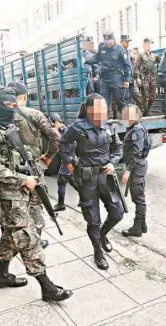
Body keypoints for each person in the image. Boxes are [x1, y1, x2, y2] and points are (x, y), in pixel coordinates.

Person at [0, 87, 73, 300]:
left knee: (13, 233)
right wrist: (22, 179)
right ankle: (47, 287)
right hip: (10, 192)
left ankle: (1, 276)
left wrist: (35, 169)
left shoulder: (9, 124)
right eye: (7, 106)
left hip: (27, 184)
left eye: (14, 106)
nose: (12, 110)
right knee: (26, 236)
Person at [60, 94, 124, 270]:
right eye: (98, 109)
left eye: (104, 108)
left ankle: (103, 235)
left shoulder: (109, 127)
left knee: (118, 213)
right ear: (89, 110)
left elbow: (118, 148)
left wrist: (113, 162)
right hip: (87, 180)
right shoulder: (77, 127)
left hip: (106, 177)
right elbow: (63, 144)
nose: (102, 112)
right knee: (93, 220)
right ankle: (98, 251)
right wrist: (70, 166)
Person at [7, 81, 60, 243]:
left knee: (13, 207)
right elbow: (55, 137)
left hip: (9, 169)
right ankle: (35, 240)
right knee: (36, 204)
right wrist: (49, 156)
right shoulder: (33, 114)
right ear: (24, 96)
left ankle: (17, 238)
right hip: (33, 167)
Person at [121, 104, 150, 237]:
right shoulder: (134, 128)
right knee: (138, 197)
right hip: (138, 166)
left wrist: (127, 170)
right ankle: (142, 225)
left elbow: (136, 153)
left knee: (139, 198)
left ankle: (137, 228)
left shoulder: (137, 130)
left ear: (137, 116)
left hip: (136, 167)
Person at [93, 32, 131, 118]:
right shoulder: (102, 47)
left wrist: (126, 80)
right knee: (103, 101)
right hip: (105, 78)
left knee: (119, 99)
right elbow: (96, 59)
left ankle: (127, 118)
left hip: (116, 77)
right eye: (106, 41)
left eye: (109, 41)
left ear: (113, 40)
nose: (107, 43)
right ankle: (104, 122)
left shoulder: (120, 49)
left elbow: (127, 65)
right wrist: (86, 60)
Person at [51, 112, 77, 212]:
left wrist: (67, 160)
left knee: (61, 182)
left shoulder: (66, 132)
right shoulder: (64, 130)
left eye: (53, 124)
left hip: (68, 161)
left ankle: (61, 205)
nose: (53, 127)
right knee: (73, 181)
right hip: (69, 160)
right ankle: (86, 199)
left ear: (57, 122)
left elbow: (71, 145)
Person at [136, 38, 159, 116]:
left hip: (152, 77)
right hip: (144, 77)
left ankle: (147, 109)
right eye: (146, 44)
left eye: (149, 44)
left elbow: (163, 60)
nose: (148, 46)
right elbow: (136, 67)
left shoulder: (154, 56)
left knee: (153, 97)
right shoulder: (141, 55)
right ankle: (146, 111)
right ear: (143, 46)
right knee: (145, 96)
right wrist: (138, 78)